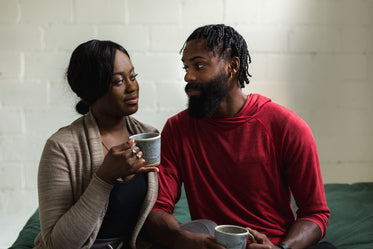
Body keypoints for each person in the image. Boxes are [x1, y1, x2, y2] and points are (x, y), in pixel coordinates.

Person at [144, 24, 336, 249]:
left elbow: (315, 213)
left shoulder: (287, 127)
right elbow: (158, 208)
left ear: (232, 66)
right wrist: (180, 238)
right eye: (186, 67)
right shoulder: (178, 129)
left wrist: (281, 248)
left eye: (199, 65)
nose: (188, 76)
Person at [34, 40, 159, 249]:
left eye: (133, 77)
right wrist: (104, 178)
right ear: (93, 88)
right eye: (119, 81)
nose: (132, 87)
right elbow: (58, 244)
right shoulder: (61, 147)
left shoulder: (149, 135)